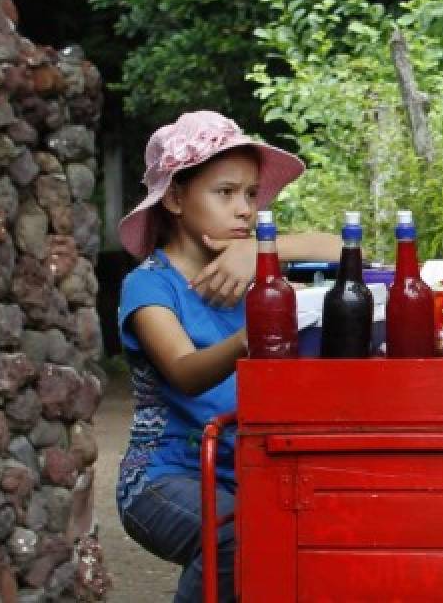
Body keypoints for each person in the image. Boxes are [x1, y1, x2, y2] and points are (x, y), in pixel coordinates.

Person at [115, 110, 341, 602]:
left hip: (250, 474)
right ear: (175, 197)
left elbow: (341, 247)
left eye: (250, 194)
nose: (244, 210)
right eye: (225, 193)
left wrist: (262, 251)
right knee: (232, 536)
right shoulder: (149, 285)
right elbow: (184, 372)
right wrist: (250, 336)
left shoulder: (251, 271)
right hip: (162, 478)